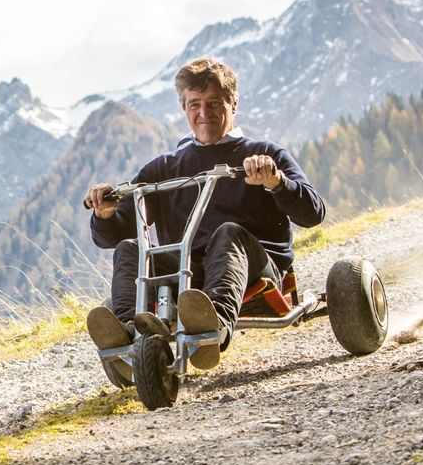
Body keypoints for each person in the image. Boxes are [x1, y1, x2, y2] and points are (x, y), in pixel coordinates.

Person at [83, 57, 325, 369]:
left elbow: (313, 213)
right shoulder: (166, 168)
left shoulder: (264, 155)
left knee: (228, 232)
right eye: (194, 104)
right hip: (188, 279)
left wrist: (275, 182)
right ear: (184, 108)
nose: (204, 113)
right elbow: (117, 233)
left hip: (252, 269)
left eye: (213, 102)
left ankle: (215, 328)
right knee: (131, 250)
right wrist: (104, 213)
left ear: (233, 103)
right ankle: (132, 337)